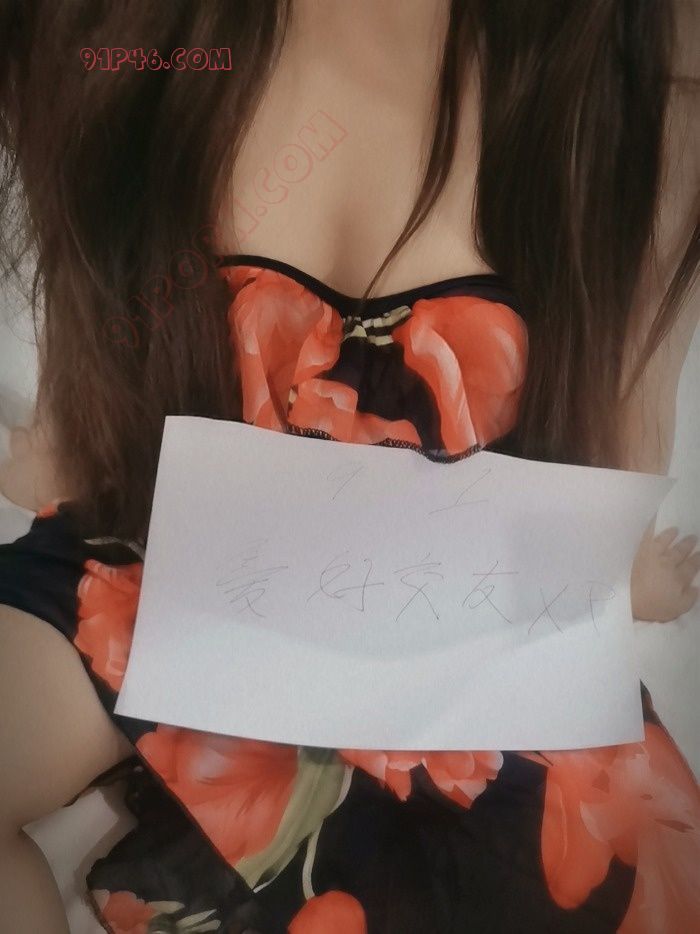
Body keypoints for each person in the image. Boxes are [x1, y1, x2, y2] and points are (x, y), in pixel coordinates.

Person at [0, 1, 699, 931]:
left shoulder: (637, 80)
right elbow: (615, 456)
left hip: (453, 617)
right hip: (181, 562)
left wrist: (613, 581)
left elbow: (612, 464)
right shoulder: (124, 42)